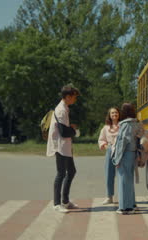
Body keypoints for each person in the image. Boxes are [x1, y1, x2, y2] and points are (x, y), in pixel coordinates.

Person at [46, 84, 80, 213]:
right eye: (74, 97)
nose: (75, 100)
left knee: (71, 172)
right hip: (59, 146)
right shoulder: (60, 110)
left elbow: (65, 129)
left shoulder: (65, 108)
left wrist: (70, 128)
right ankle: (56, 203)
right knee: (61, 173)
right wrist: (73, 129)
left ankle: (65, 201)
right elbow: (64, 132)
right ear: (67, 97)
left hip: (65, 145)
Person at [112, 103, 144, 214]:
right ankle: (131, 205)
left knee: (122, 180)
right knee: (129, 180)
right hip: (133, 153)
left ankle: (124, 207)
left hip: (125, 154)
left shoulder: (125, 125)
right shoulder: (137, 124)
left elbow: (122, 144)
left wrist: (117, 159)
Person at [98, 107, 120, 205]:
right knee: (109, 174)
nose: (114, 114)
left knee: (122, 175)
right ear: (109, 115)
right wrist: (106, 146)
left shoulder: (123, 126)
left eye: (116, 112)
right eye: (112, 113)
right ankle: (109, 197)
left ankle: (123, 196)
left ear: (119, 114)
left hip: (121, 151)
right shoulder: (106, 128)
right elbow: (101, 139)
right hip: (110, 150)